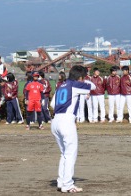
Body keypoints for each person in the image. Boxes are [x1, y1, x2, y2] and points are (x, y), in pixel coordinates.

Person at [50, 65, 95, 193]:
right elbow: (93, 87)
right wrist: (84, 81)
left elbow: (53, 104)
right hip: (67, 120)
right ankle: (68, 184)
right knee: (70, 154)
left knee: (64, 153)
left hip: (56, 120)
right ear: (80, 77)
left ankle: (61, 181)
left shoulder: (60, 86)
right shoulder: (75, 84)